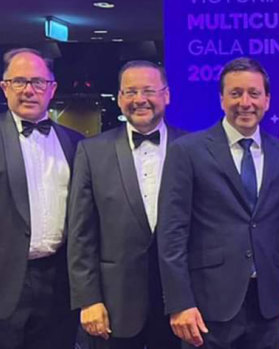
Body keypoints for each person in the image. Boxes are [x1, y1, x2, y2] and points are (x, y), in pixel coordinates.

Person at [157, 57, 279, 349]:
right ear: (222, 99)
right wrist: (179, 302)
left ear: (267, 99)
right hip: (207, 306)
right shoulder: (187, 152)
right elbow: (171, 234)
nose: (245, 102)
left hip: (266, 304)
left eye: (254, 93)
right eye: (236, 93)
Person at [67, 60, 184, 349]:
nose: (139, 99)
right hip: (114, 305)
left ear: (166, 95)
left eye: (148, 90)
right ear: (119, 99)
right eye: (130, 92)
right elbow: (81, 234)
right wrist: (88, 299)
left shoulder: (193, 148)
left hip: (182, 306)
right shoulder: (91, 152)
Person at [0, 48, 81, 349]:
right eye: (19, 81)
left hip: (61, 282)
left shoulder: (76, 144)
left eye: (37, 82)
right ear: (4, 87)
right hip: (7, 282)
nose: (29, 90)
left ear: (52, 89)